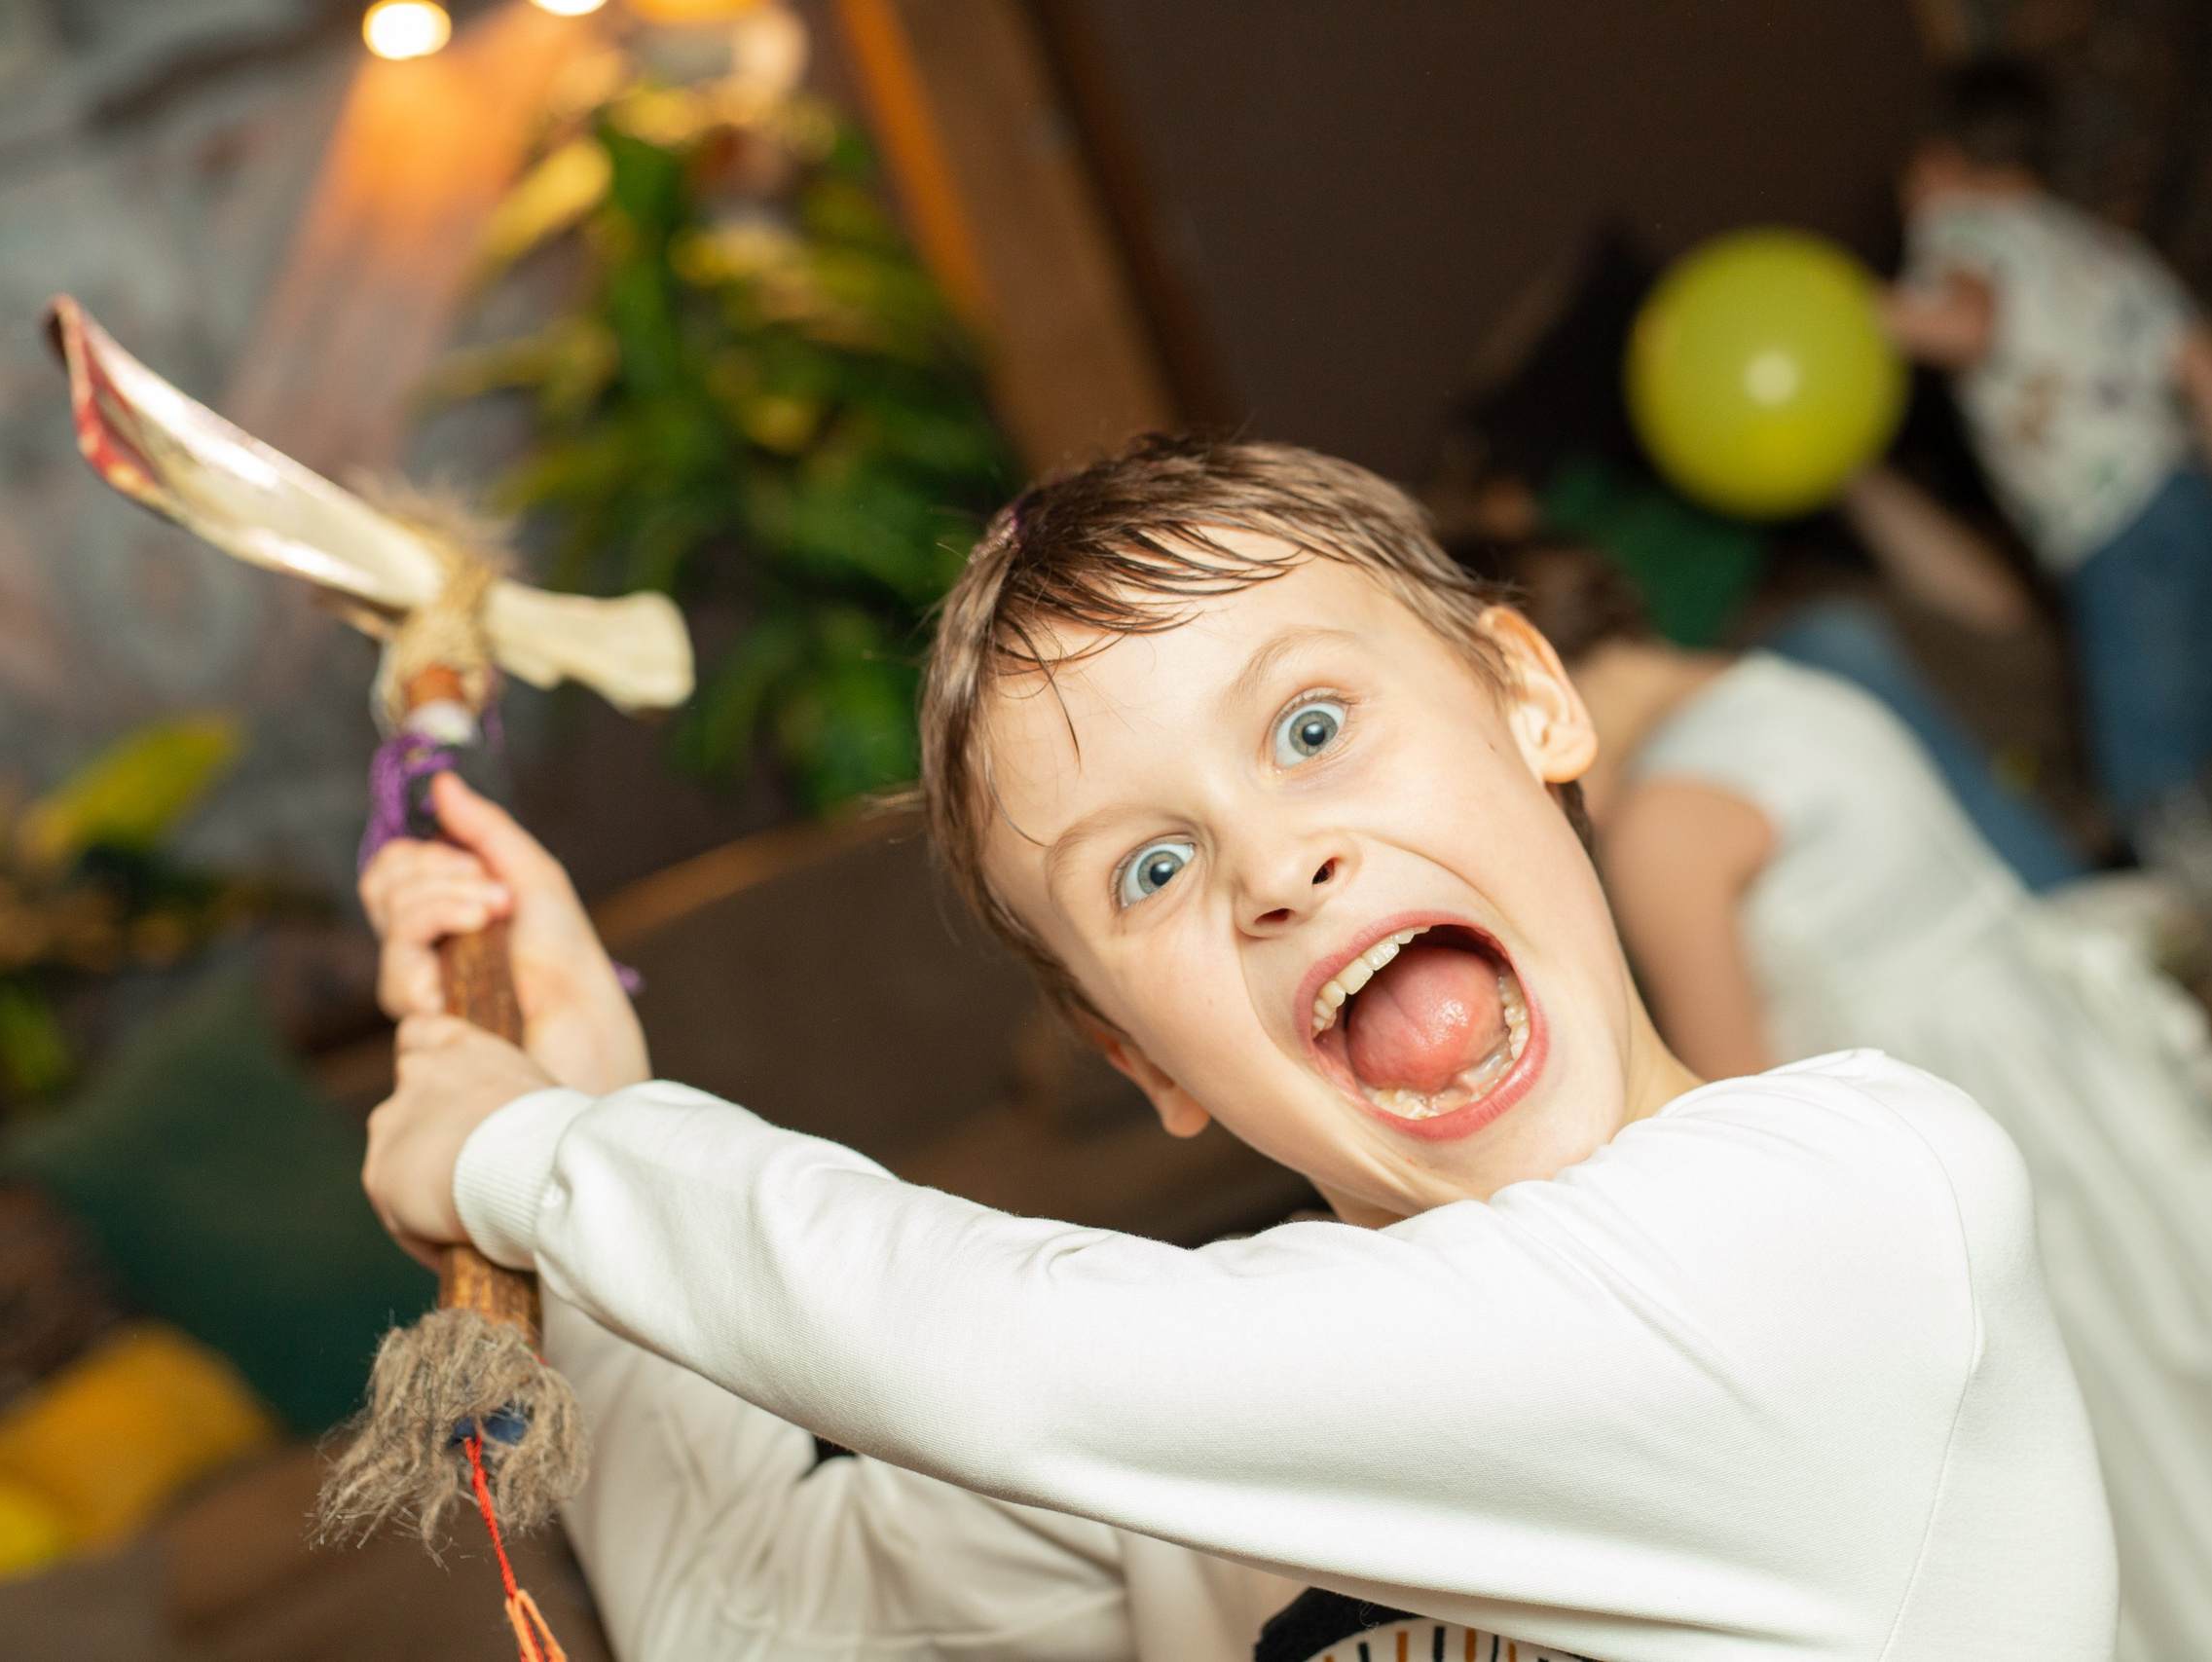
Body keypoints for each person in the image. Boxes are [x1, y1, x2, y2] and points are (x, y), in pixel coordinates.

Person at [354, 437, 2115, 1662]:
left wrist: (537, 1152)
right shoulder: (1218, 1447)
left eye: (1315, 724)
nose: (1277, 865)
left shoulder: (1856, 1207)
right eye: (1155, 865)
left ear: (1533, 696)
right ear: (1139, 1056)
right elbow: (747, 1617)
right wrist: (588, 1083)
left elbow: (1014, 1356)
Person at [1530, 543, 2212, 1662]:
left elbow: (1724, 1123)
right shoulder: (1800, 689)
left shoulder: (1665, 823)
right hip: (2062, 1094)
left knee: (2103, 1486)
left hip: (1943, 1168)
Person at [1882, 55, 2212, 836]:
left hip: (2117, 529)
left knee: (2149, 794)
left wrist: (1850, 310)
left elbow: (1967, 326)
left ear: (1940, 161)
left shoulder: (1955, 220)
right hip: (2192, 499)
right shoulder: (2103, 247)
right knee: (2198, 736)